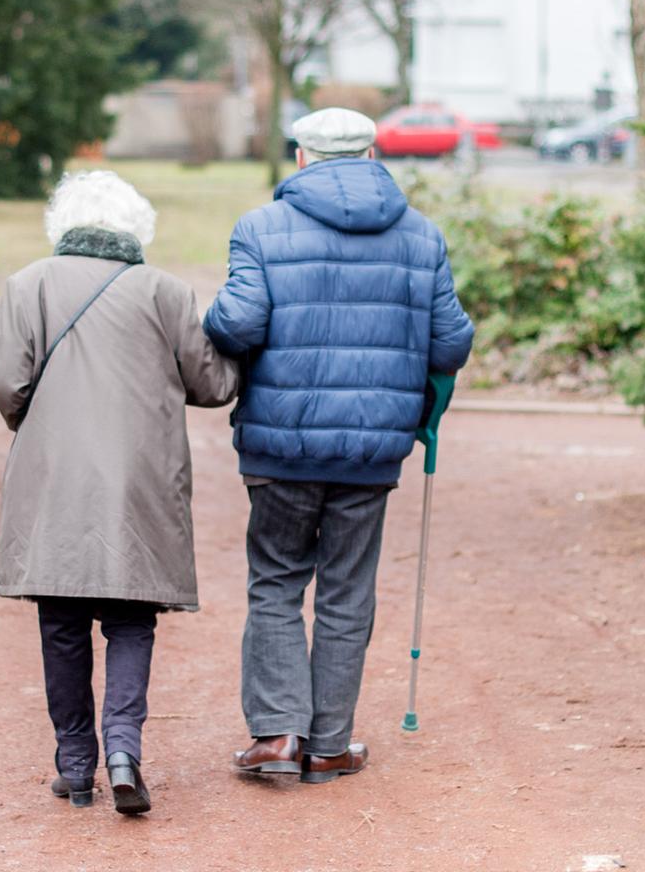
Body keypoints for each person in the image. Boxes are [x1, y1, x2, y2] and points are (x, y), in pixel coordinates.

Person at [203, 107, 474, 784]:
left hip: (280, 443)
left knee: (276, 580)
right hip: (373, 448)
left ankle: (276, 733)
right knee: (348, 590)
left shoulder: (259, 229)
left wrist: (214, 314)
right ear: (373, 155)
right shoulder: (421, 235)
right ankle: (329, 743)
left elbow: (236, 325)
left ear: (302, 157)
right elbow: (451, 342)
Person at [0, 170, 237, 814]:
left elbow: (5, 381)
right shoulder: (165, 292)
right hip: (140, 481)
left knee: (61, 622)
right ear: (135, 227)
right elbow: (211, 385)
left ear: (63, 224)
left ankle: (75, 767)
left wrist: (33, 425)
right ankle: (123, 751)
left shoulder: (28, 284)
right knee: (131, 621)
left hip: (54, 478)